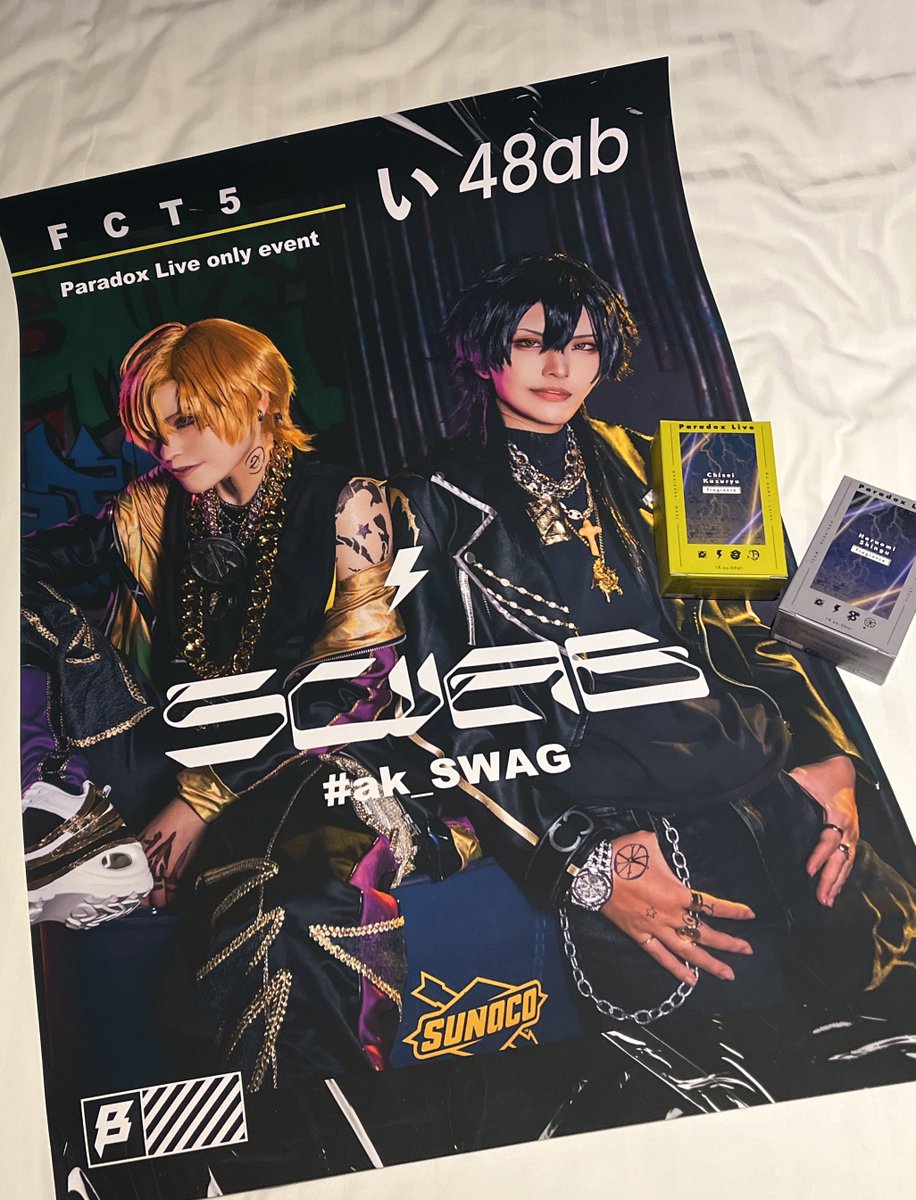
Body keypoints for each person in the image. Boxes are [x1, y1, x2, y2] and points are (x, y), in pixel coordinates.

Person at [382, 253, 916, 1024]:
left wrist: (831, 758)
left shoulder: (699, 460)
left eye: (583, 346)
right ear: (484, 349)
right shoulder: (420, 505)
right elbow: (443, 716)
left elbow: (755, 635)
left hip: (778, 797)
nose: (560, 368)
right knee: (740, 1066)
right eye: (532, 343)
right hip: (633, 834)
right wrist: (584, 861)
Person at [21, 317, 440, 1086]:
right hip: (174, 746)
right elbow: (35, 564)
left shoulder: (347, 502)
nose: (169, 448)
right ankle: (52, 817)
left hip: (311, 760)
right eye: (155, 431)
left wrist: (201, 800)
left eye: (187, 421)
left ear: (260, 400)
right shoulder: (155, 507)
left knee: (281, 899)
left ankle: (302, 1121)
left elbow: (356, 683)